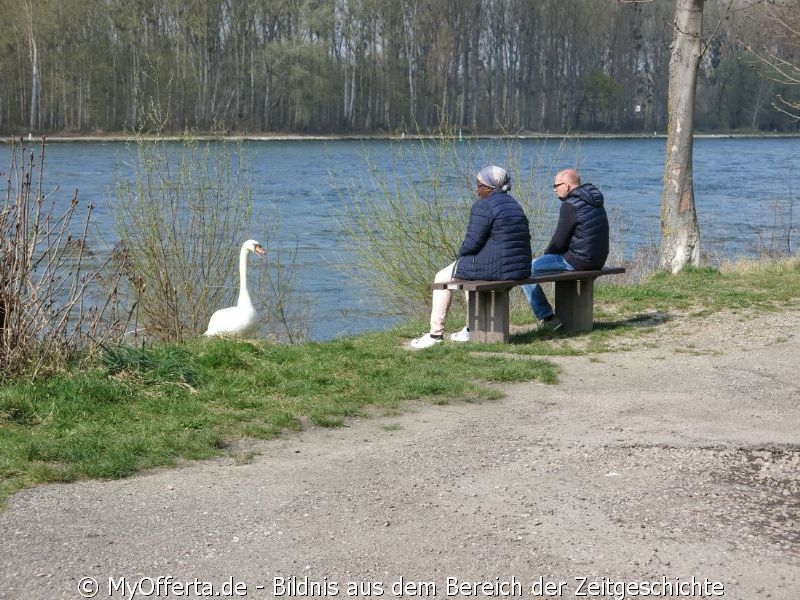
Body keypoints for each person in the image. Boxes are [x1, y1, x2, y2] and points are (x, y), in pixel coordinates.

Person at [410, 165, 532, 348]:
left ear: (489, 187)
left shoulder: (484, 205)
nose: (476, 189)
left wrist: (460, 256)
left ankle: (435, 335)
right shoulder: (514, 204)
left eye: (478, 185)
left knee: (442, 277)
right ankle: (470, 328)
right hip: (520, 267)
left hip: (499, 268)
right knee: (468, 273)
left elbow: (472, 242)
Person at [521, 168, 609, 332]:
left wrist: (546, 256)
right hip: (598, 259)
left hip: (580, 261)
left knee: (525, 269)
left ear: (567, 186)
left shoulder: (570, 205)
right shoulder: (594, 201)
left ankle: (547, 317)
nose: (554, 189)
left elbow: (558, 242)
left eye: (556, 185)